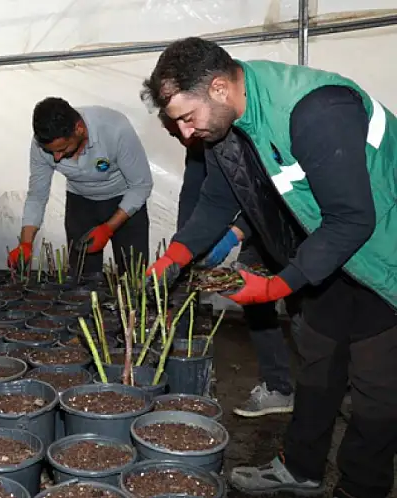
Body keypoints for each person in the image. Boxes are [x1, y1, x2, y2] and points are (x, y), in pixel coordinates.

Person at [142, 37, 397, 498]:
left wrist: (278, 284)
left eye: (186, 118)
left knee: (375, 389)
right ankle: (301, 470)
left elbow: (355, 217)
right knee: (318, 367)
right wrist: (174, 256)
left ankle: (362, 487)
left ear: (219, 87)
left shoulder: (316, 110)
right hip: (326, 256)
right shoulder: (224, 127)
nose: (184, 133)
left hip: (384, 258)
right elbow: (218, 200)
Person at [162, 114, 298, 416]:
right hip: (258, 228)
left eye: (185, 129)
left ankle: (330, 383)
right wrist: (183, 249)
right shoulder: (197, 143)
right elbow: (195, 195)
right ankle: (278, 387)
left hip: (291, 223)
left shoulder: (239, 132)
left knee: (305, 313)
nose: (184, 137)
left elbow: (270, 195)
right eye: (176, 135)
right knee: (254, 298)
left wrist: (232, 235)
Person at [7, 97, 153, 275]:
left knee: (133, 273)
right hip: (80, 203)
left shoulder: (115, 129)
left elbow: (141, 185)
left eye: (63, 149)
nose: (57, 158)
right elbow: (37, 195)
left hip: (124, 200)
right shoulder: (42, 144)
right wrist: (26, 243)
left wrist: (108, 228)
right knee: (82, 276)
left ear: (79, 129)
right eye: (51, 152)